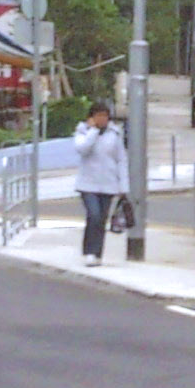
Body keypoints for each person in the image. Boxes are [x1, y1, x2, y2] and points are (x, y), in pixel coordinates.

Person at [70, 101, 129, 266]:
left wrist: (124, 186)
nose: (102, 119)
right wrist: (93, 130)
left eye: (105, 115)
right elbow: (82, 149)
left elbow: (121, 160)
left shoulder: (115, 133)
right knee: (93, 215)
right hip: (87, 184)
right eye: (98, 115)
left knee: (101, 219)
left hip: (108, 183)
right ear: (91, 117)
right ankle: (89, 251)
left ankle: (97, 253)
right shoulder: (83, 131)